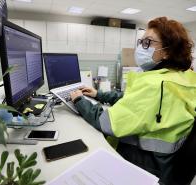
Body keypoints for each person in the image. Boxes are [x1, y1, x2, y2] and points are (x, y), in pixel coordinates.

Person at [70, 17, 196, 185]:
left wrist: (79, 99)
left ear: (167, 51)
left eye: (148, 43)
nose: (140, 48)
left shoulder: (155, 85)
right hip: (168, 166)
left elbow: (106, 122)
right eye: (141, 42)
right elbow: (133, 102)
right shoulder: (182, 78)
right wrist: (99, 94)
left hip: (146, 167)